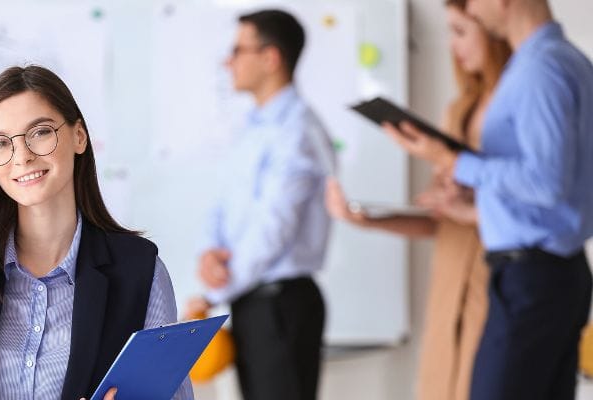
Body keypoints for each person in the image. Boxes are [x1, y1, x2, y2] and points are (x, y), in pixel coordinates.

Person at [0, 65, 193, 400]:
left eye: (40, 132)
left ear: (79, 136)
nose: (22, 156)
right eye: (0, 143)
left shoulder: (140, 270)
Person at [382, 0, 593, 397]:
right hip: (548, 274)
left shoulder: (538, 70)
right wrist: (471, 203)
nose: (473, 10)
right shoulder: (565, 61)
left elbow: (546, 182)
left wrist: (451, 160)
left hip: (532, 278)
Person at [324, 1, 510, 399]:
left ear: (494, 29)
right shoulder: (458, 110)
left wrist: (474, 204)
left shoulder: (517, 109)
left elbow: (534, 208)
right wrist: (367, 220)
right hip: (448, 291)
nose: (451, 45)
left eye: (461, 31)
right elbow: (440, 220)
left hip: (500, 284)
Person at [183, 9, 335, 400]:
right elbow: (223, 204)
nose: (227, 61)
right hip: (252, 302)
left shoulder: (298, 131)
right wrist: (208, 256)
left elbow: (274, 229)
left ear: (270, 58)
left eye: (238, 50)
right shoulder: (253, 126)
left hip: (281, 306)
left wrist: (214, 291)